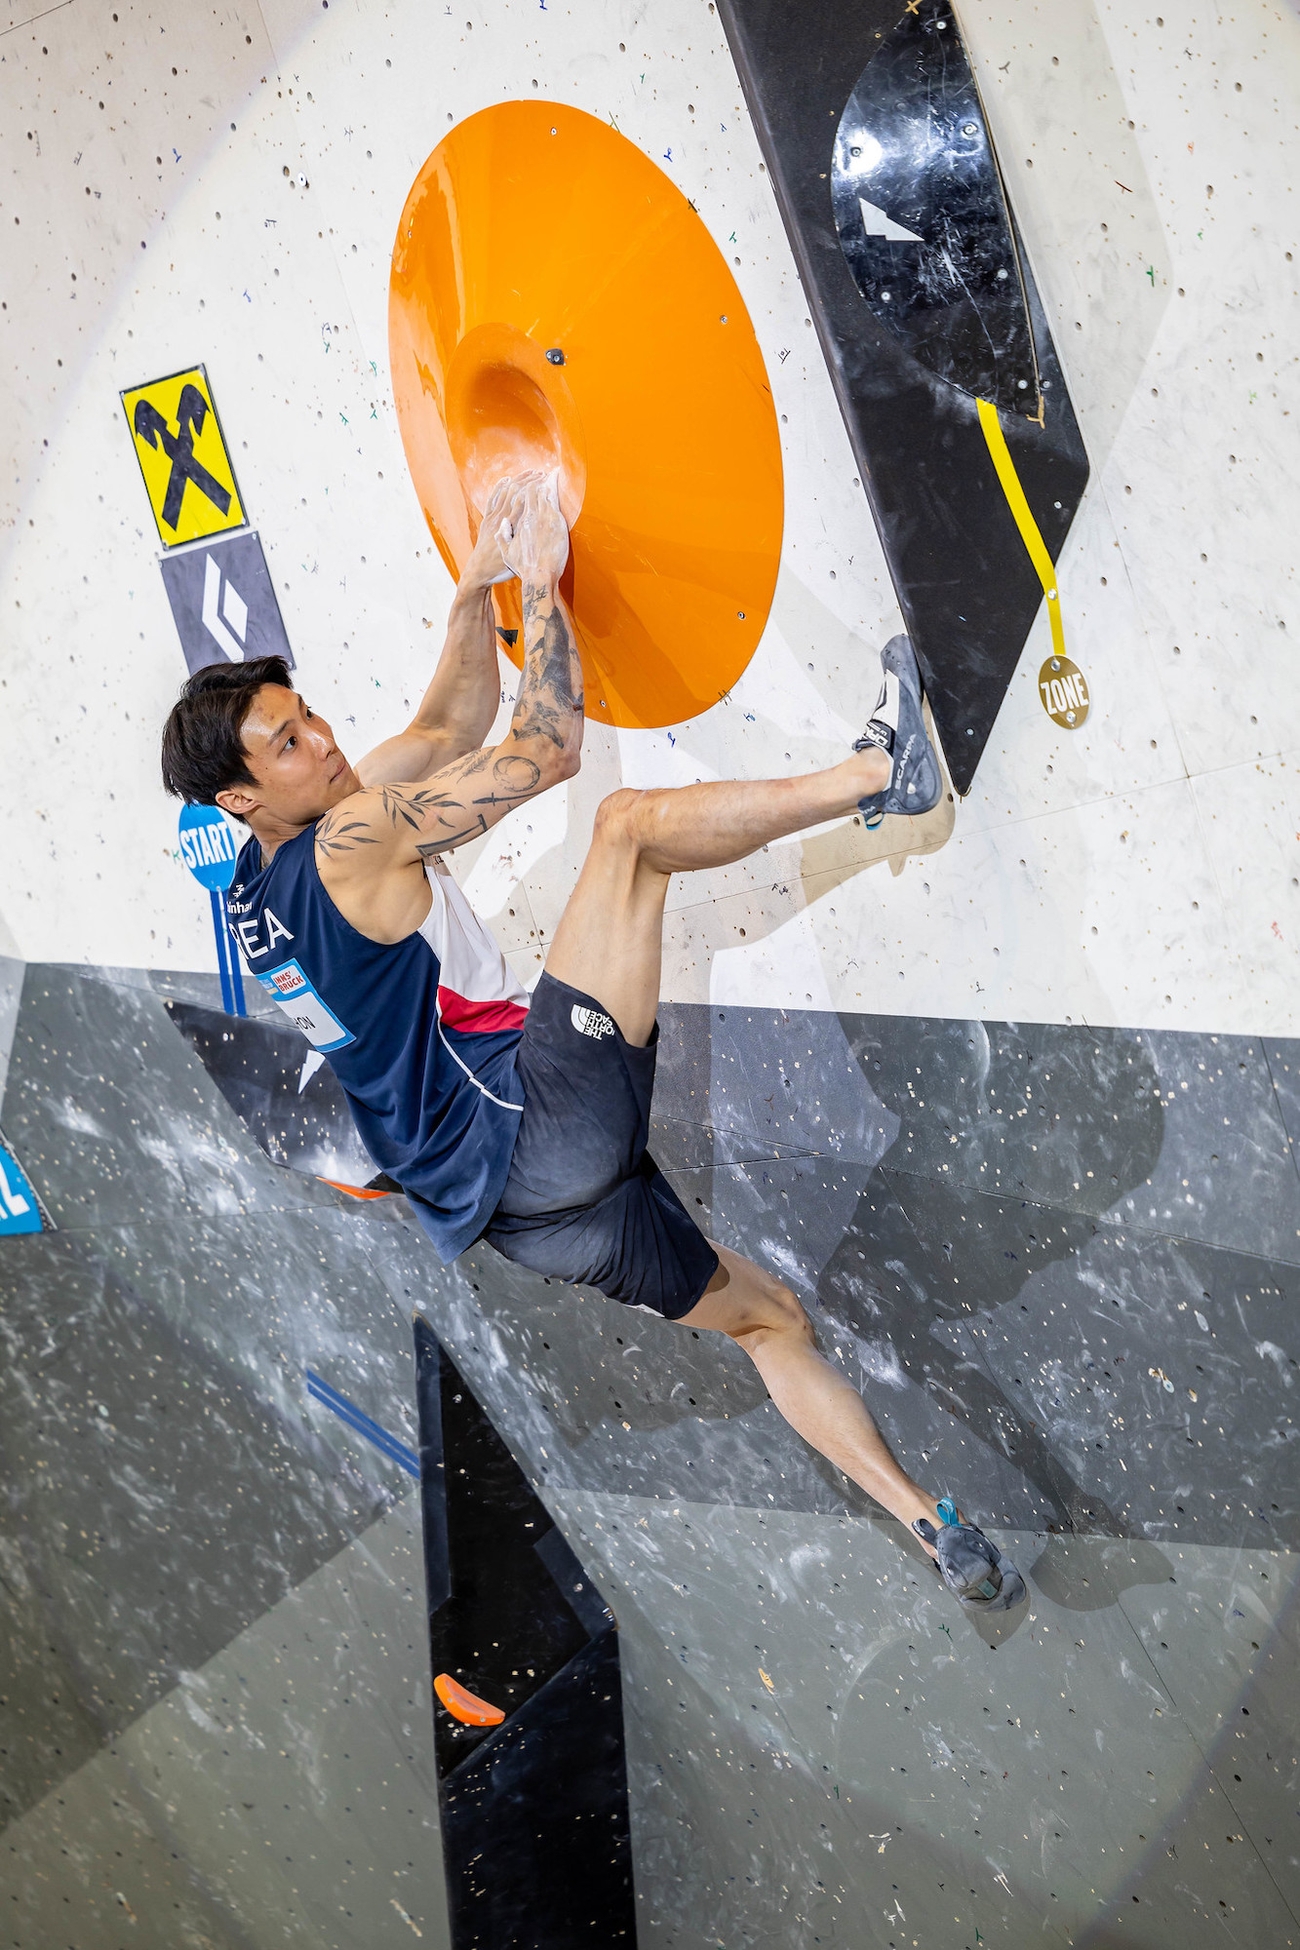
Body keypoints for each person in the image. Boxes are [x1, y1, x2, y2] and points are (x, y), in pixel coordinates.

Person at [160, 474, 1025, 1611]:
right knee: (628, 836)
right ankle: (882, 774)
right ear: (238, 796)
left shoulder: (262, 894)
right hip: (538, 1124)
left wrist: (471, 596)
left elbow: (437, 732)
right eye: (287, 744)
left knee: (767, 1322)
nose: (321, 742)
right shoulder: (353, 837)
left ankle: (933, 1529)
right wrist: (541, 578)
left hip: (522, 1225)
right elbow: (542, 747)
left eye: (308, 713)